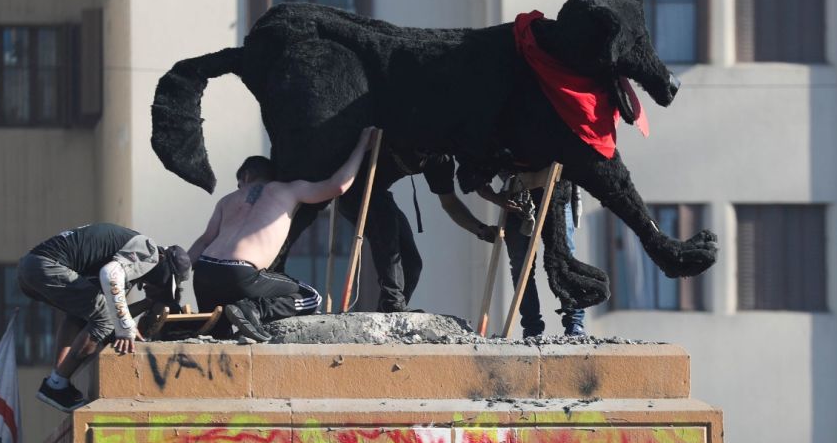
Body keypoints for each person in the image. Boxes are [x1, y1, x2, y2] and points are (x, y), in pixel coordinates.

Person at [187, 128, 376, 341]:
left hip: (203, 273)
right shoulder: (289, 190)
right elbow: (339, 186)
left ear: (246, 176)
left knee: (219, 336)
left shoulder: (227, 200)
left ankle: (233, 320)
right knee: (311, 296)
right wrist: (362, 145)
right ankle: (253, 309)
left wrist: (179, 271)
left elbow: (204, 241)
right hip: (240, 274)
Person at [18, 224, 191, 412]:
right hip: (48, 266)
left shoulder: (123, 262)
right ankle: (56, 385)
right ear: (165, 271)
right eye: (164, 284)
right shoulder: (148, 251)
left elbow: (111, 308)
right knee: (103, 320)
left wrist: (146, 304)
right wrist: (125, 327)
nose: (156, 287)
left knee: (82, 316)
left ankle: (59, 379)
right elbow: (109, 277)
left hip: (29, 268)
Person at [361, 149, 498, 313]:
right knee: (388, 237)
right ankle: (392, 304)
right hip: (356, 189)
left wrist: (480, 229)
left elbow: (450, 204)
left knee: (411, 265)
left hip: (380, 193)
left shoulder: (439, 159)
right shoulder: (402, 133)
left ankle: (388, 316)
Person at [479, 177, 585, 337]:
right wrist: (498, 199)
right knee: (522, 268)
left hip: (557, 192)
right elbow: (474, 178)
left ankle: (575, 324)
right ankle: (532, 329)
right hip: (518, 199)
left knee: (564, 261)